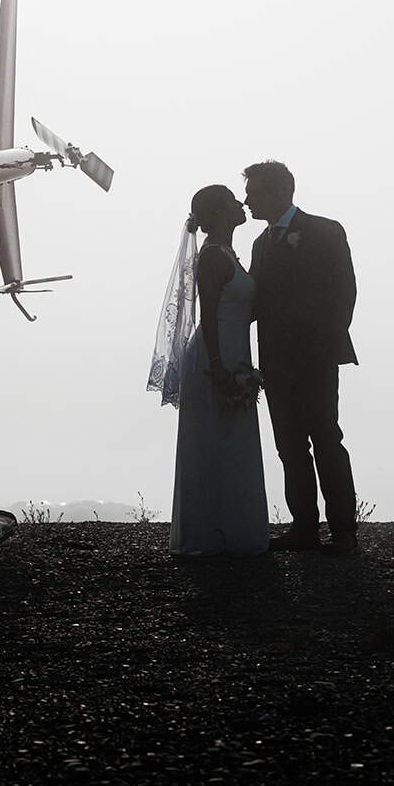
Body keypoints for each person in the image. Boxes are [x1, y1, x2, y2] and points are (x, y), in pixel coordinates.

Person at [243, 160, 359, 552]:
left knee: (326, 438)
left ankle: (344, 531)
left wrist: (323, 346)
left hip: (316, 359)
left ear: (279, 192)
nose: (247, 201)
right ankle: (304, 527)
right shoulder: (260, 244)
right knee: (289, 446)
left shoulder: (325, 231)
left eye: (254, 192)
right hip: (275, 362)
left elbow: (344, 293)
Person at [149, 184, 269, 557]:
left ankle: (229, 530)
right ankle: (209, 533)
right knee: (213, 442)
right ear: (219, 213)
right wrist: (218, 366)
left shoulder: (229, 253)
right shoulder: (214, 257)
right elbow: (209, 316)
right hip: (216, 353)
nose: (241, 204)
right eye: (234, 200)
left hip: (235, 352)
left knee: (231, 443)